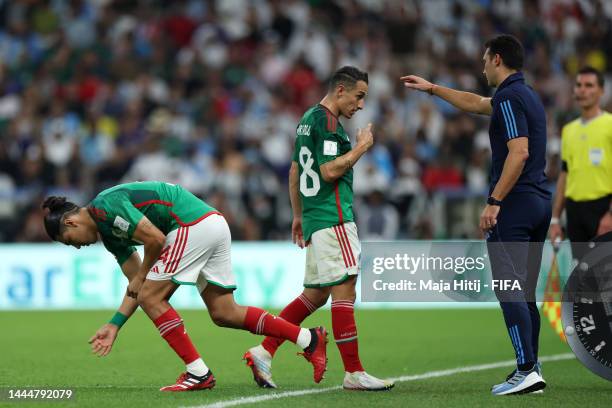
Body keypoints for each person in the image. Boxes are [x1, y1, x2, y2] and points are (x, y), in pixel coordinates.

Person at [41, 181, 327, 392]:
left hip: (190, 226)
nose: (76, 248)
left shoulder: (105, 206)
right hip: (211, 223)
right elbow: (136, 287)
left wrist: (143, 277)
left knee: (153, 296)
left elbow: (154, 241)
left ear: (70, 222)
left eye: (69, 241)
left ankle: (198, 373)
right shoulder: (111, 237)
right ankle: (307, 338)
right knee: (224, 312)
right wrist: (115, 324)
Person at [401, 34, 550, 395]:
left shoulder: (510, 97)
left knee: (508, 286)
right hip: (539, 201)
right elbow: (476, 103)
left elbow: (519, 153)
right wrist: (433, 88)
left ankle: (526, 368)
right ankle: (531, 363)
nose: (482, 65)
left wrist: (495, 200)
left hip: (514, 204)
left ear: (497, 59)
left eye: (485, 59)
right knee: (524, 290)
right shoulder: (524, 95)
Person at [243, 66, 394, 391]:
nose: (361, 105)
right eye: (359, 96)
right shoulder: (327, 122)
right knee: (345, 290)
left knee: (315, 294)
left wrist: (299, 215)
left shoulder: (307, 120)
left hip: (315, 218)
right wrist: (363, 147)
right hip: (332, 217)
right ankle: (354, 372)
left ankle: (264, 351)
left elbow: (296, 171)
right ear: (341, 90)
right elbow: (328, 171)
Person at [549, 66, 612, 260]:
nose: (582, 90)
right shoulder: (568, 130)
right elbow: (565, 174)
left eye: (589, 85)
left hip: (603, 209)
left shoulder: (610, 125)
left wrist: (610, 214)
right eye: (578, 85)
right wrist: (556, 219)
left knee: (605, 278)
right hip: (575, 211)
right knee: (583, 279)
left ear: (601, 90)